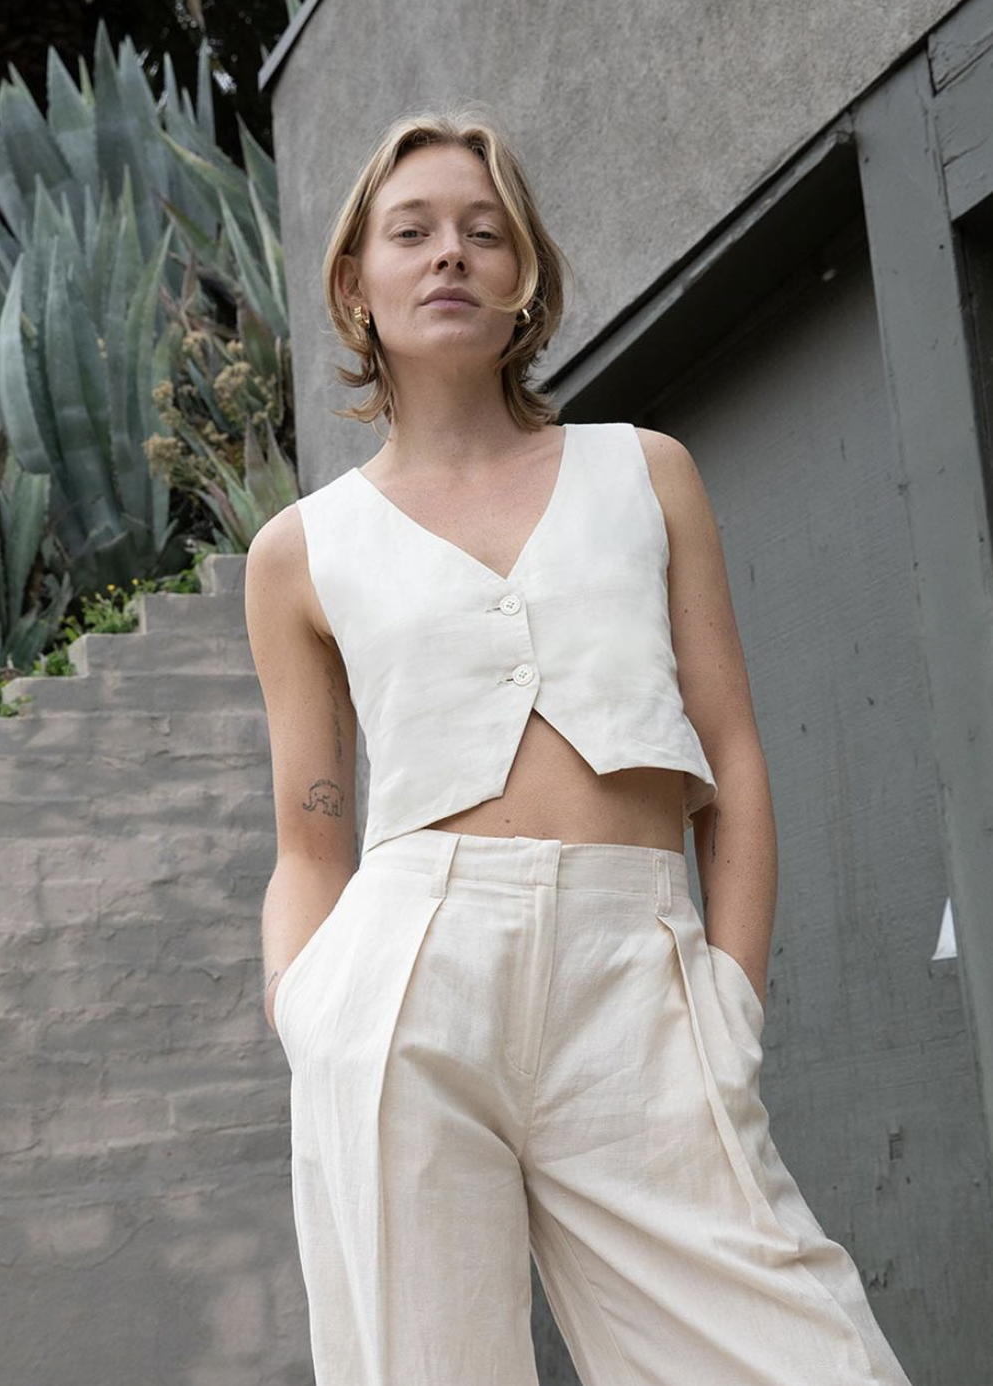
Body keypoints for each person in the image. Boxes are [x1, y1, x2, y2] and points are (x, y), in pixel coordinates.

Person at [244, 106, 915, 1386]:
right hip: (400, 983)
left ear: (525, 279)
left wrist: (727, 991)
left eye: (484, 233)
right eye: (413, 231)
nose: (451, 253)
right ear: (355, 283)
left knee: (806, 1357)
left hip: (638, 974)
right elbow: (308, 836)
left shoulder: (643, 472)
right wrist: (308, 1014)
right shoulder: (300, 553)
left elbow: (732, 756)